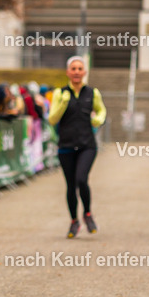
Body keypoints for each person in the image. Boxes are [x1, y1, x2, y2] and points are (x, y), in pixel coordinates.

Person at [48, 55, 107, 238]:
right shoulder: (60, 93)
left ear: (84, 72)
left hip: (86, 145)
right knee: (70, 185)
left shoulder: (93, 92)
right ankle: (74, 221)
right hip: (66, 145)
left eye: (79, 69)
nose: (76, 72)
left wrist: (98, 119)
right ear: (68, 72)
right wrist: (63, 103)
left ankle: (87, 214)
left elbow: (101, 110)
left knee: (82, 179)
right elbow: (52, 119)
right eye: (73, 69)